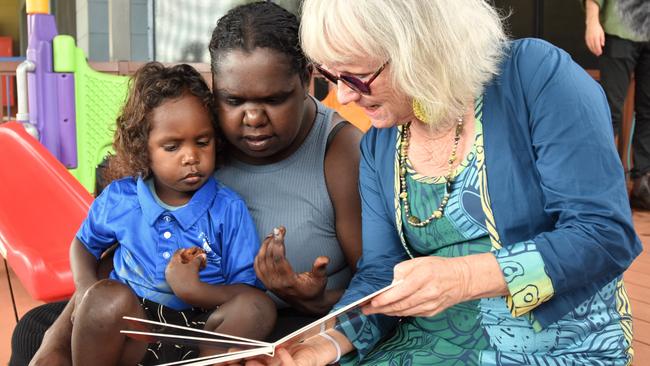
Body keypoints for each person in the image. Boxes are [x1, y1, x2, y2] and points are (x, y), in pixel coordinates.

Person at [243, 0, 643, 365]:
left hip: (558, 340)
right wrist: (322, 346)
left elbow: (603, 234)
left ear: (423, 48)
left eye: (358, 78)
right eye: (330, 76)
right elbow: (381, 274)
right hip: (435, 335)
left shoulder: (534, 78)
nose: (343, 97)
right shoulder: (381, 144)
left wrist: (464, 278)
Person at [11, 2, 363, 365]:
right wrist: (61, 332)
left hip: (272, 322)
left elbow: (377, 280)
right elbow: (123, 249)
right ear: (217, 87)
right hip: (157, 309)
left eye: (274, 99)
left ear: (307, 79)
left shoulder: (337, 149)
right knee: (34, 330)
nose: (253, 118)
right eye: (233, 99)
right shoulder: (202, 133)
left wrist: (313, 299)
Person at [67, 62, 276, 365]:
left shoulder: (228, 208)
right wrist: (85, 288)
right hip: (134, 331)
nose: (191, 156)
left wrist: (194, 290)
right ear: (143, 148)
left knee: (258, 306)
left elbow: (243, 288)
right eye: (172, 146)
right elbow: (84, 245)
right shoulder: (120, 199)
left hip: (203, 330)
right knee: (103, 298)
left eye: (202, 142)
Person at [583, 0, 650, 209]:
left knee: (648, 111)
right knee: (609, 110)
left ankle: (642, 185)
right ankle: (601, 184)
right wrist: (592, 21)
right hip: (619, 28)